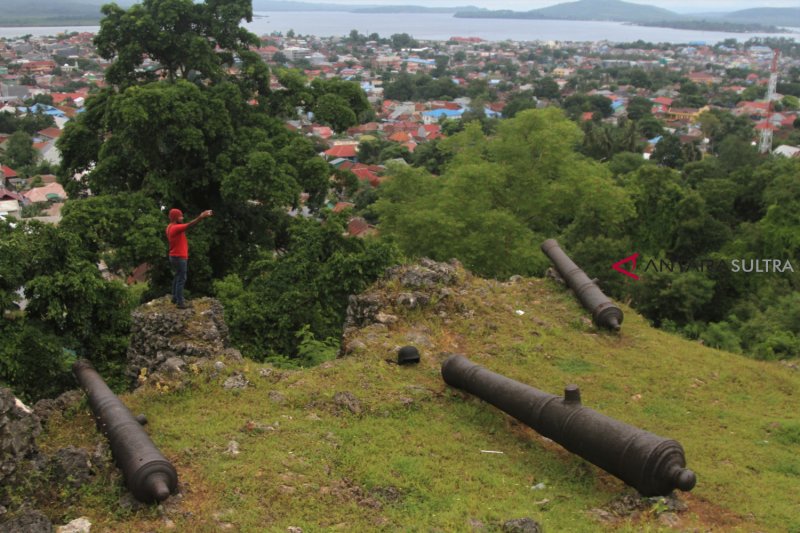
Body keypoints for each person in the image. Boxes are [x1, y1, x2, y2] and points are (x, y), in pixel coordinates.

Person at [166, 208, 213, 309]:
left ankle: (174, 298)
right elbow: (190, 225)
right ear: (175, 218)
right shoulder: (175, 228)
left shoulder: (169, 227)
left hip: (174, 256)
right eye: (180, 216)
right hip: (179, 257)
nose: (182, 218)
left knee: (177, 276)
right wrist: (201, 217)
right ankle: (180, 302)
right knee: (181, 279)